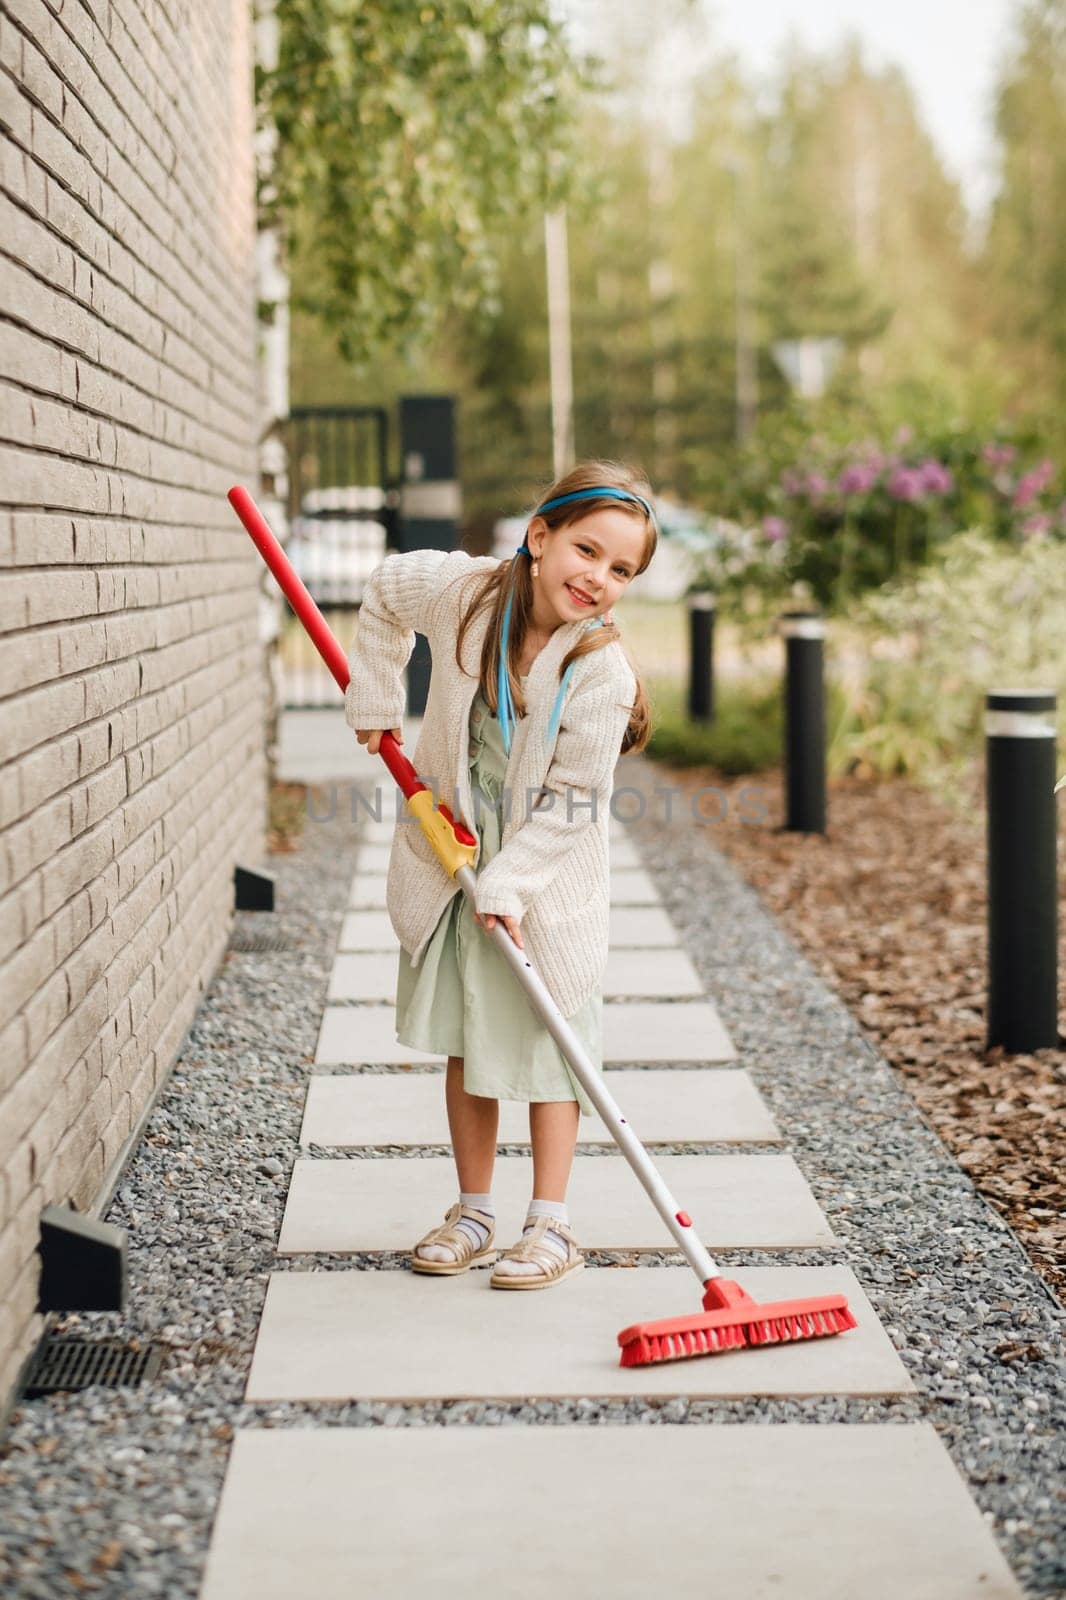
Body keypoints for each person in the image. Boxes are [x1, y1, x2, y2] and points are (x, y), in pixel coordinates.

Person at [344, 459, 657, 1289]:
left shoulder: (602, 673)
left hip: (545, 881)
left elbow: (574, 802)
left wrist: (514, 886)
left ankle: (550, 1223)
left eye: (620, 570)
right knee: (470, 1031)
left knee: (555, 1047)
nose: (597, 578)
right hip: (456, 853)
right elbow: (381, 590)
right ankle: (474, 1208)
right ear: (540, 534)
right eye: (586, 551)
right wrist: (375, 704)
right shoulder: (468, 597)